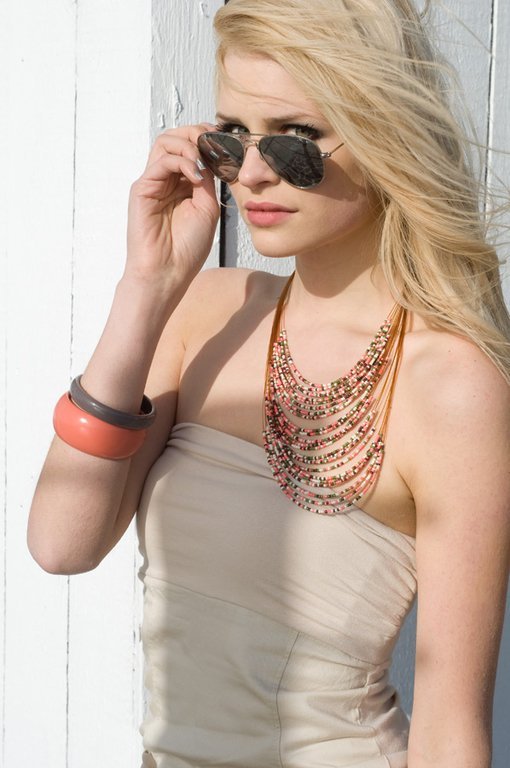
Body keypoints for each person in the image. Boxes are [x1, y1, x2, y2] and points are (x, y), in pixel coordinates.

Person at [28, 0, 510, 766]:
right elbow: (61, 543)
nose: (252, 173)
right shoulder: (206, 313)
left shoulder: (452, 384)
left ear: (383, 134)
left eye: (296, 138)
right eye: (232, 137)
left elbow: (451, 726)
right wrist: (146, 287)